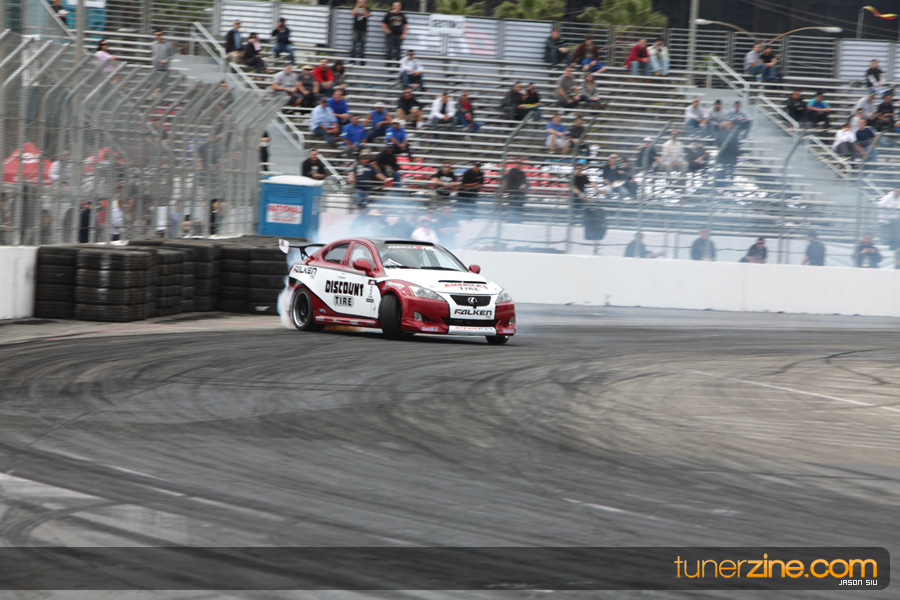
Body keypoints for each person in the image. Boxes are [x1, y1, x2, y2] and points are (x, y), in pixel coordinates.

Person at [350, 0, 370, 64]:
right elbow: (353, 13)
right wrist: (358, 6)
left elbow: (367, 15)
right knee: (354, 45)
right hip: (356, 29)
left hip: (363, 30)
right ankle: (352, 61)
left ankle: (362, 61)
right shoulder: (355, 7)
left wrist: (363, 7)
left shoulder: (367, 8)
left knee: (362, 46)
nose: (361, 3)